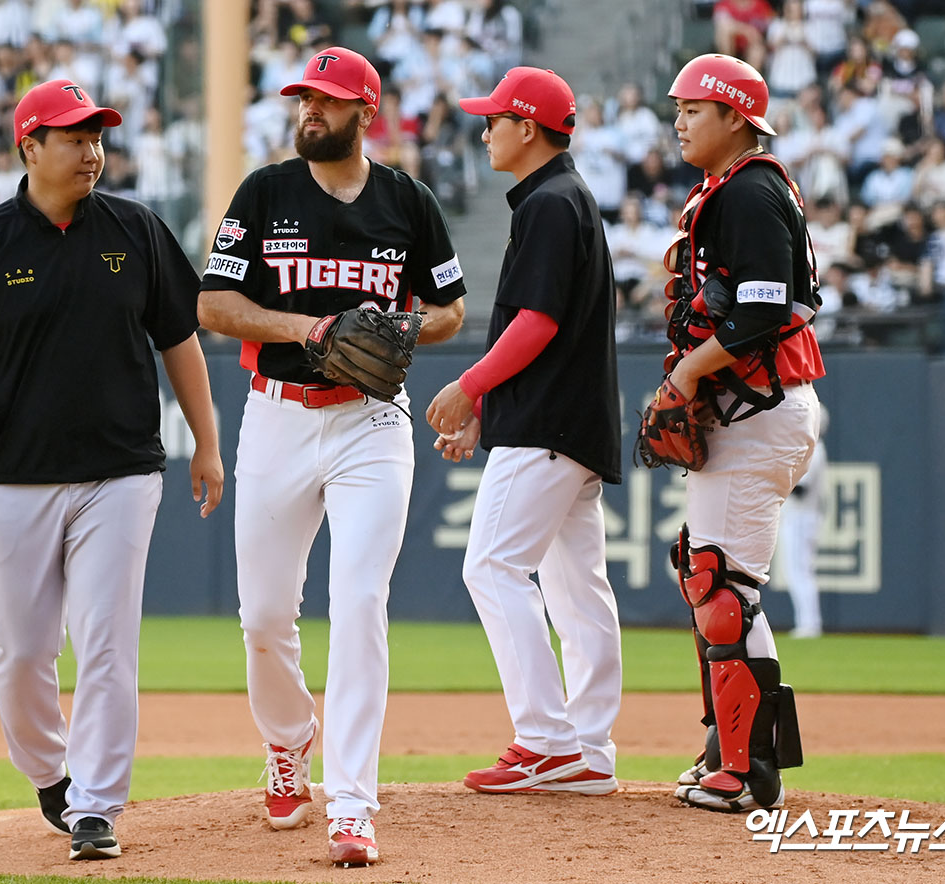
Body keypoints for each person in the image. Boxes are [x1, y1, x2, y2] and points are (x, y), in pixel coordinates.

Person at [0, 79, 223, 861]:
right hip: (14, 479)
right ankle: (50, 773)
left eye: (97, 136)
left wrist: (208, 444)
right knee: (20, 653)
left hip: (121, 474)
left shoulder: (137, 229)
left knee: (107, 642)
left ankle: (96, 806)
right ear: (29, 146)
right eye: (74, 137)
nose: (91, 150)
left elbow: (180, 340)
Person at [196, 47, 466, 867]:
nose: (309, 110)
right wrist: (308, 329)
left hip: (371, 425)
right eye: (303, 99)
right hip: (277, 416)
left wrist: (404, 329)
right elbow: (214, 304)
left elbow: (451, 308)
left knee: (359, 601)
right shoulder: (264, 192)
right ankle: (288, 741)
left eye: (327, 100)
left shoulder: (407, 202)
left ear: (365, 112)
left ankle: (353, 802)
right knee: (266, 619)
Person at [425, 66, 623, 797]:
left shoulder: (548, 204)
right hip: (570, 421)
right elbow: (543, 326)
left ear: (528, 127)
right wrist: (487, 412)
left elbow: (536, 323)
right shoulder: (567, 198)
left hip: (546, 423)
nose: (484, 130)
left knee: (493, 568)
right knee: (577, 588)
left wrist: (471, 387)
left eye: (494, 119)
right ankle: (590, 747)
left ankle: (546, 739)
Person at [656, 54, 824, 812]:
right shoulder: (741, 188)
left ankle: (750, 775)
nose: (680, 119)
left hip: (760, 409)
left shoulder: (751, 192)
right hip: (754, 409)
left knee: (723, 588)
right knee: (709, 573)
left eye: (694, 107)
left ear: (734, 117)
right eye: (679, 108)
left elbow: (765, 312)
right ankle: (726, 748)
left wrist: (689, 372)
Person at [778, 406, 828, 638]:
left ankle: (809, 624)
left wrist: (775, 480)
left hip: (802, 517)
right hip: (799, 516)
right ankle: (808, 623)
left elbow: (800, 489)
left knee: (800, 571)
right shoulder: (809, 448)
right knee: (797, 571)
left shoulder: (814, 450)